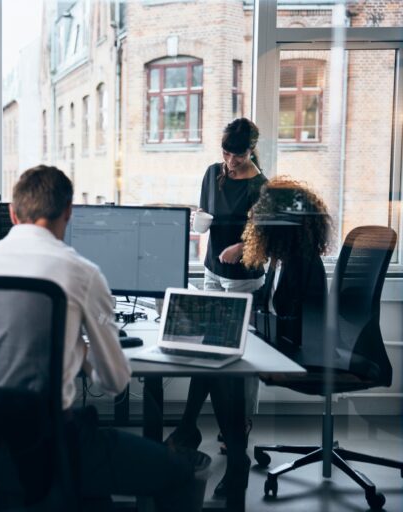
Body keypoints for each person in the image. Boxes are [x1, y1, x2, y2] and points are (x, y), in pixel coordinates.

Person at [0, 165, 195, 510]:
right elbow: (114, 382)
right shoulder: (81, 272)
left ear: (12, 213)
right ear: (69, 212)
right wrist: (81, 352)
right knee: (179, 471)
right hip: (47, 444)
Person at [165, 118, 267, 496]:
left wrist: (241, 246)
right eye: (224, 152)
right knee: (208, 350)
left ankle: (215, 428)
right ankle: (196, 429)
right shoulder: (213, 173)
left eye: (236, 154)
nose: (229, 160)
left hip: (242, 274)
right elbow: (205, 212)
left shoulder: (261, 187)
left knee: (228, 358)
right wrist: (199, 221)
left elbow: (263, 234)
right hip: (212, 270)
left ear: (250, 150)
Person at [240, 177, 331, 352]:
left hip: (300, 350)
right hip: (284, 340)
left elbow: (301, 322)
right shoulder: (282, 256)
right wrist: (235, 304)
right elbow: (269, 294)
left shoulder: (301, 262)